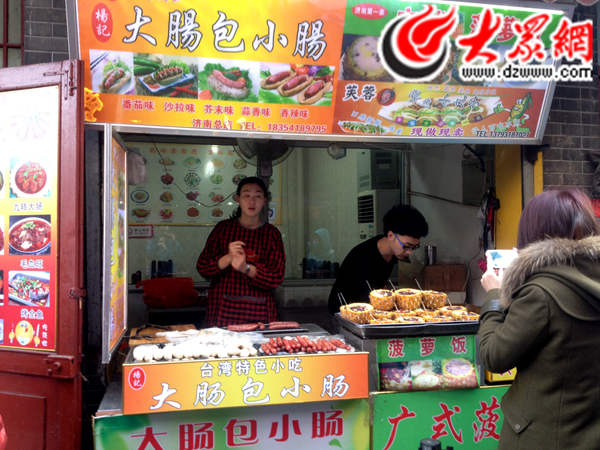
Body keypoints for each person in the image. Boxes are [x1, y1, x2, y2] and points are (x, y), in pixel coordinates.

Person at [478, 189, 600, 449]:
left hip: (542, 437)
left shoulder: (540, 294)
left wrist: (494, 296)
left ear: (533, 234)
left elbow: (494, 356)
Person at [197, 177, 285, 326]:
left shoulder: (272, 234)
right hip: (222, 310)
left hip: (260, 312)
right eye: (246, 195)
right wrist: (228, 258)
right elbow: (203, 268)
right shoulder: (223, 229)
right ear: (238, 199)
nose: (252, 202)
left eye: (258, 196)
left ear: (265, 200)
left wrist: (246, 268)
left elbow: (276, 277)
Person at [328, 204, 429, 314]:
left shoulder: (392, 251)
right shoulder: (363, 257)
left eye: (414, 247)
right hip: (344, 311)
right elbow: (364, 298)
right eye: (406, 246)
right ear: (391, 235)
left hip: (368, 306)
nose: (409, 252)